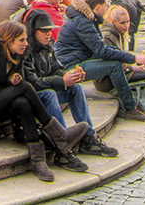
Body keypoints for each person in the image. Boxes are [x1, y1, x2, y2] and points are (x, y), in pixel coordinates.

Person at [0, 20, 90, 183]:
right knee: (25, 88)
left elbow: (14, 81)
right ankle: (59, 135)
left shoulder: (16, 54)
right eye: (22, 40)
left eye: (26, 39)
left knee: (22, 102)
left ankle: (38, 160)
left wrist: (11, 81)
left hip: (1, 104)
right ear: (9, 40)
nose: (26, 44)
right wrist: (8, 88)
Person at [54, 0, 145, 125]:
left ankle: (136, 107)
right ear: (98, 7)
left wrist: (129, 57)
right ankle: (130, 108)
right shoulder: (84, 22)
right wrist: (133, 59)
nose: (107, 9)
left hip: (76, 59)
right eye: (105, 6)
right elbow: (102, 50)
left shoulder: (84, 18)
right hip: (72, 65)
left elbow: (101, 48)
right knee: (115, 66)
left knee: (116, 62)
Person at [19, 9, 115, 170]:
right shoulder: (26, 50)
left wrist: (71, 75)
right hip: (34, 99)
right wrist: (61, 80)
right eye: (43, 30)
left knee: (76, 88)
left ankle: (87, 137)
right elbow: (32, 82)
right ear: (32, 31)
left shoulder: (48, 47)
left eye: (50, 30)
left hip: (46, 90)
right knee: (50, 94)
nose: (48, 33)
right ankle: (63, 144)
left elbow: (57, 68)